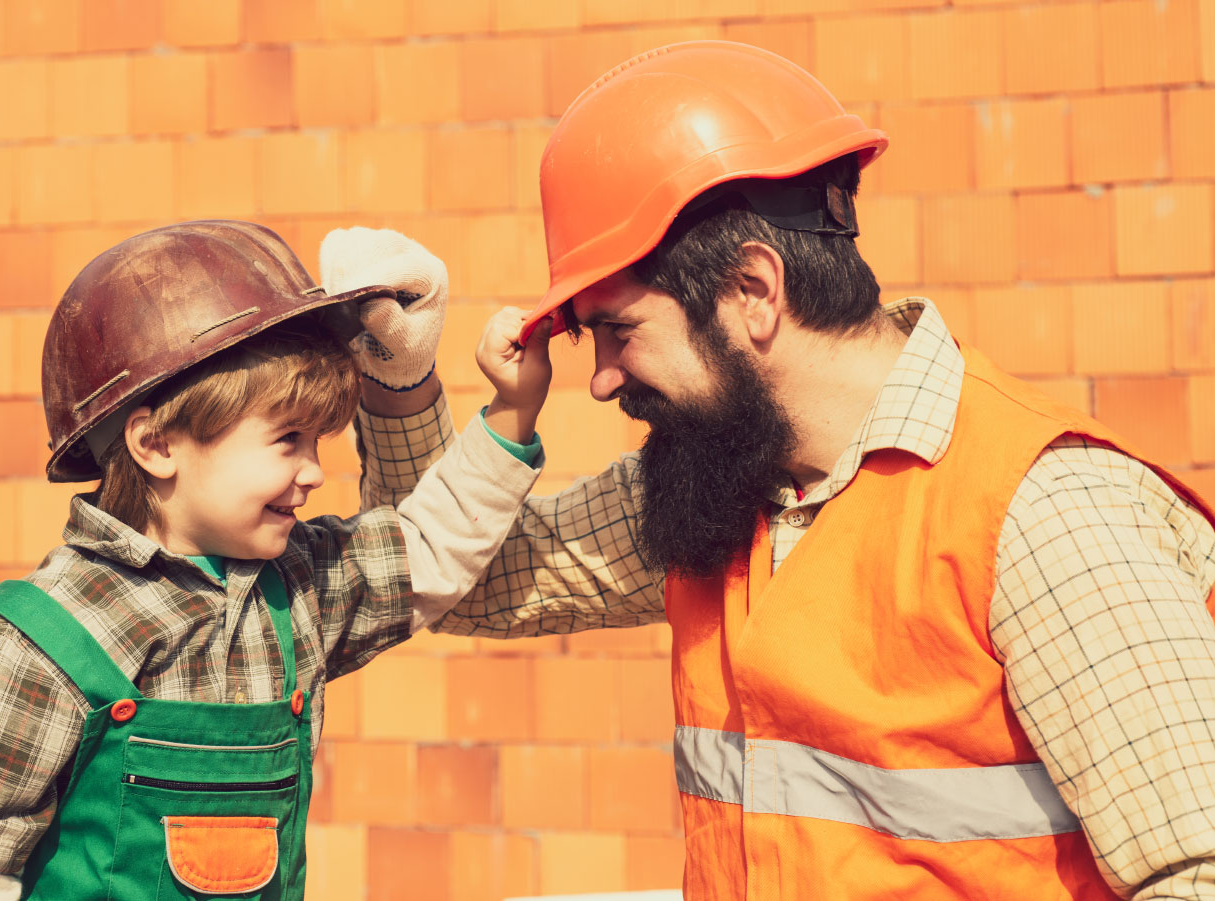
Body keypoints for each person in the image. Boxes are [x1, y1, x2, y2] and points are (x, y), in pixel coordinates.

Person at [346, 41, 1215, 900]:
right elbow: (456, 581)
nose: (603, 377)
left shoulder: (1045, 510)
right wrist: (399, 379)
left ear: (754, 290)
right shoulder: (722, 485)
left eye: (617, 328)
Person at [0, 221, 553, 900]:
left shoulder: (298, 588)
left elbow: (431, 546)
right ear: (156, 444)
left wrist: (512, 410)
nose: (314, 472)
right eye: (287, 439)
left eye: (318, 441)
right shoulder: (35, 644)